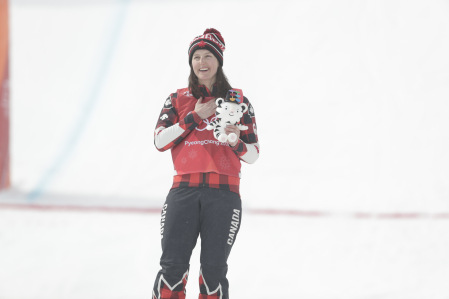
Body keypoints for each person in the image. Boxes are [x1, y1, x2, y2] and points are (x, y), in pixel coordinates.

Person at [152, 28, 259, 299]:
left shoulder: (239, 101)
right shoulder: (178, 99)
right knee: (172, 268)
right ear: (191, 63)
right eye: (197, 57)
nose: (202, 62)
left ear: (219, 61)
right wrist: (194, 117)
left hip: (224, 196)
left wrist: (236, 141)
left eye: (208, 56)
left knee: (213, 272)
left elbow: (253, 154)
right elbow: (160, 141)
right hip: (184, 192)